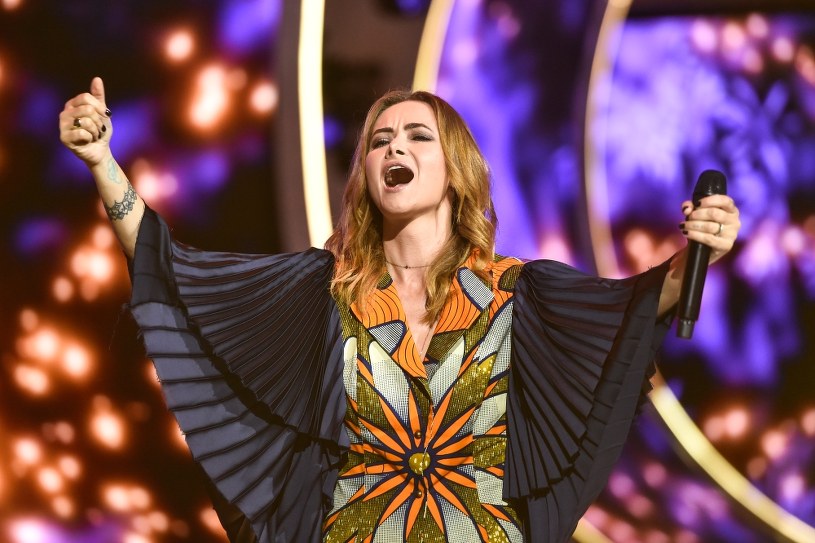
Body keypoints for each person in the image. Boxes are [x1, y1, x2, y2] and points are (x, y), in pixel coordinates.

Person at [59, 77, 741, 543]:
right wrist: (101, 164)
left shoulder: (520, 293)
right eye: (380, 140)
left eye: (417, 135)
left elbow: (637, 306)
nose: (394, 148)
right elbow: (179, 279)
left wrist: (705, 245)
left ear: (454, 168)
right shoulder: (320, 290)